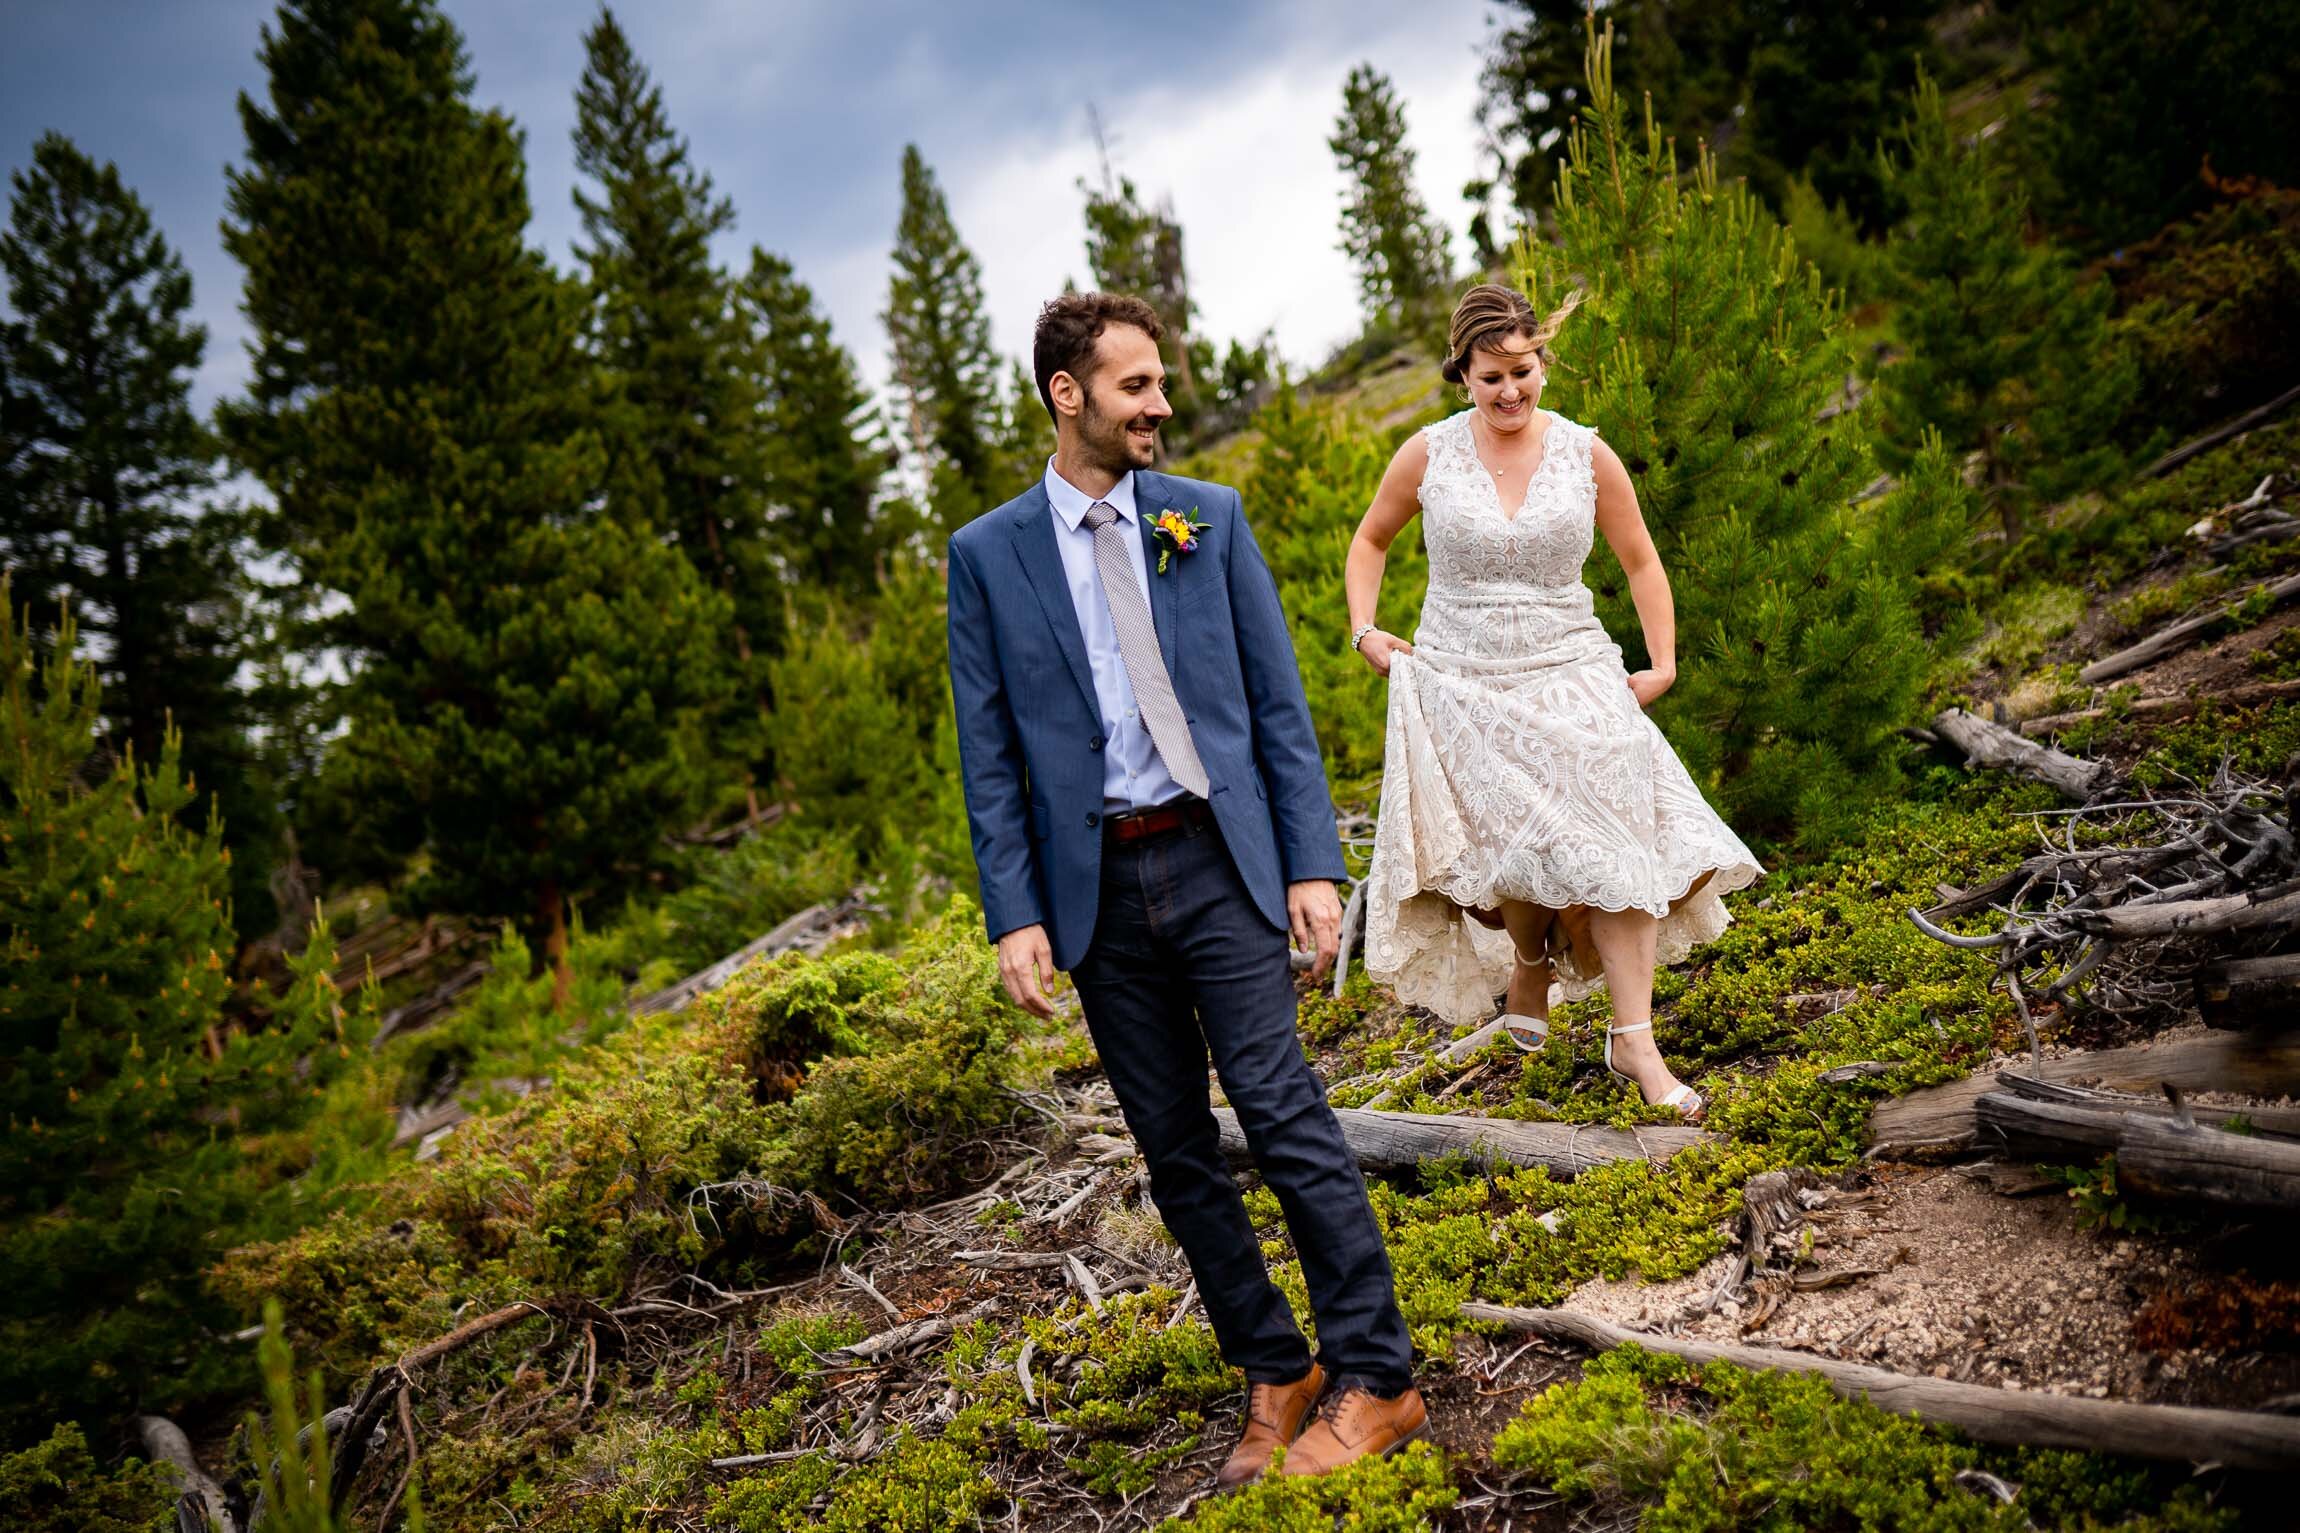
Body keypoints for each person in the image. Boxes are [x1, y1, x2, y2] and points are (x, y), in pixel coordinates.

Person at [945, 292, 1424, 1483]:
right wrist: (1015, 914)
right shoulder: (986, 557)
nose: (1160, 405)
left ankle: (1377, 1377)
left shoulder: (1206, 520)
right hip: (1095, 889)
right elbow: (987, 751)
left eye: (1159, 383)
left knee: (1280, 1106)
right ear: (1069, 396)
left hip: (1217, 861)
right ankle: (1275, 1367)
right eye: (1135, 387)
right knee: (1170, 1149)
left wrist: (1313, 864)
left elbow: (1275, 710)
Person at [1346, 283, 1762, 1121]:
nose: (1509, 391)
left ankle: (1632, 1036)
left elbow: (1640, 559)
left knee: (1619, 840)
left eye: (1523, 371)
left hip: (1572, 663)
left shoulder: (1585, 454)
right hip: (1463, 676)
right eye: (1490, 375)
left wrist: (1664, 661)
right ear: (1461, 372)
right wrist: (1366, 630)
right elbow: (1370, 540)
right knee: (1510, 844)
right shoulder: (1426, 455)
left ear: (1543, 360)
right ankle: (1530, 955)